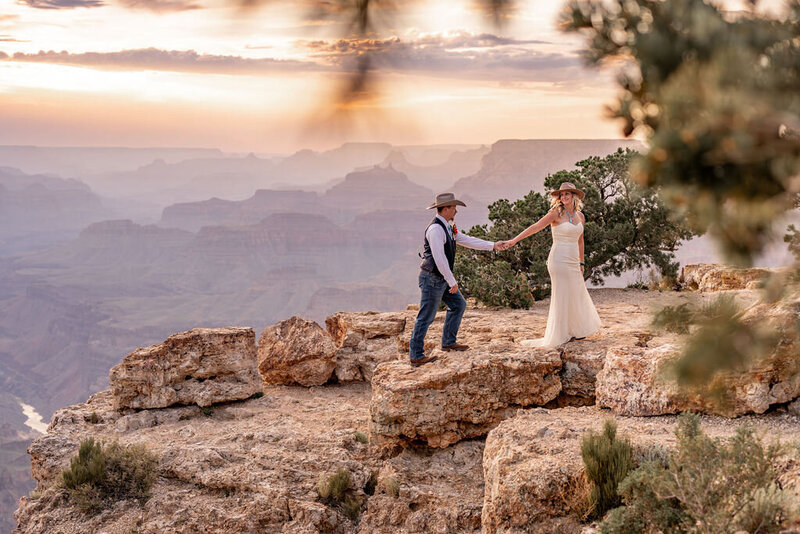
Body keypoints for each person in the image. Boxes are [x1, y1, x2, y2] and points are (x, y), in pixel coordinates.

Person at [408, 193, 509, 367]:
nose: (456, 211)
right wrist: (452, 281)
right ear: (446, 208)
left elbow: (464, 239)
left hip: (441, 277)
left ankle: (448, 342)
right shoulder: (435, 230)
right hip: (432, 278)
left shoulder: (449, 225)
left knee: (458, 305)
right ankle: (416, 355)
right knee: (426, 316)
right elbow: (439, 259)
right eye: (454, 207)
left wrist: (492, 245)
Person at [505, 182, 602, 348]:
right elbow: (536, 227)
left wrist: (581, 261)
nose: (563, 197)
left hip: (573, 261)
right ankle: (560, 334)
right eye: (561, 195)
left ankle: (576, 331)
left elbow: (580, 241)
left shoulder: (581, 217)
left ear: (574, 197)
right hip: (559, 259)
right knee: (563, 293)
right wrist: (514, 240)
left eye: (567, 194)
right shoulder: (556, 213)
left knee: (575, 292)